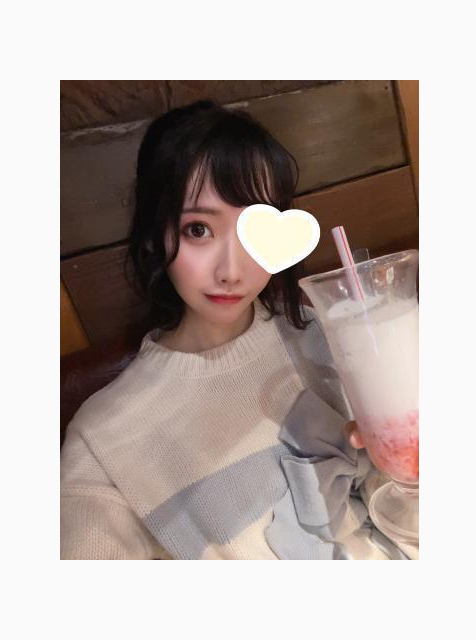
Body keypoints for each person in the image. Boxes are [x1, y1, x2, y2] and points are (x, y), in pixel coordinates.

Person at [60, 100, 409, 560]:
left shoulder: (324, 337)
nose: (231, 271)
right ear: (154, 234)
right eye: (198, 230)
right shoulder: (105, 441)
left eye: (254, 231)